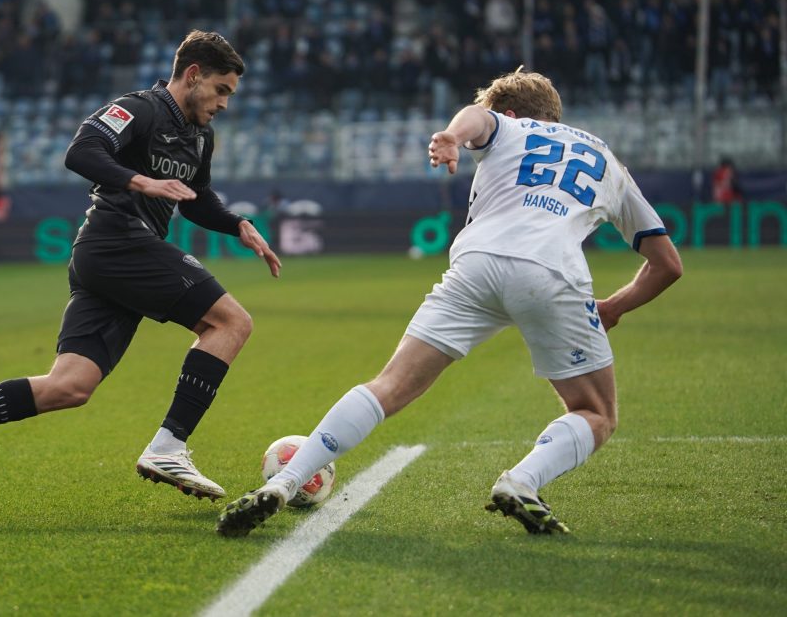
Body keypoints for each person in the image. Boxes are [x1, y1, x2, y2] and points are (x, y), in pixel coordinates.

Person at [217, 68, 682, 537]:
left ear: (511, 113)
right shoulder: (607, 161)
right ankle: (522, 481)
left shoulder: (510, 126)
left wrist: (452, 138)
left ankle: (287, 480)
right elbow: (667, 264)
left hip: (476, 264)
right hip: (552, 272)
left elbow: (478, 117)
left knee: (389, 385)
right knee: (596, 412)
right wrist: (613, 308)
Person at [0, 31, 282, 502]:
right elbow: (81, 152)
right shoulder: (140, 108)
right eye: (221, 90)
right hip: (116, 240)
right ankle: (169, 445)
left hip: (115, 259)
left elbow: (195, 198)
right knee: (231, 322)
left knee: (69, 387)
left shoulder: (200, 136)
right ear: (193, 74)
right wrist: (140, 181)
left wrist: (237, 224)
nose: (224, 104)